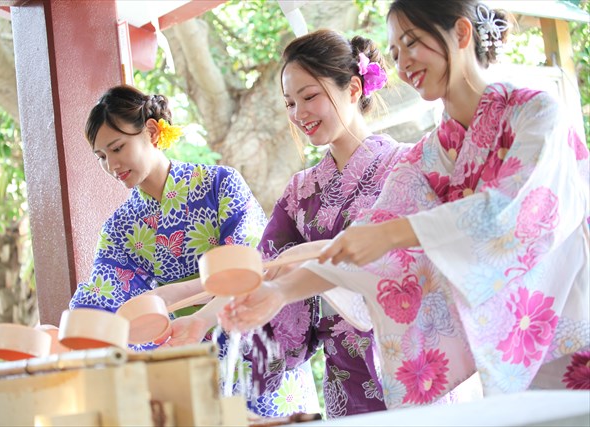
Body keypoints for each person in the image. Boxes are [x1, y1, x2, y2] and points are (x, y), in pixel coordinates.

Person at [220, 0, 590, 409]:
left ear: (462, 34)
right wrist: (279, 291)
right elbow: (361, 245)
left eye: (412, 42)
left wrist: (391, 234)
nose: (403, 62)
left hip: (570, 335)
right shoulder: (430, 157)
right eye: (395, 51)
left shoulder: (538, 113)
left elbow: (514, 215)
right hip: (504, 354)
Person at [161, 29, 410, 418]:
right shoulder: (301, 191)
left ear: (354, 88)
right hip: (344, 377)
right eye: (290, 102)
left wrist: (300, 258)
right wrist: (201, 321)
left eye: (309, 96)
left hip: (407, 361)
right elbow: (261, 269)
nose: (299, 114)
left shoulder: (405, 168)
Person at [68, 84, 267, 353]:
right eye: (101, 157)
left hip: (251, 340)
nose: (111, 165)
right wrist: (74, 329)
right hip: (185, 349)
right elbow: (104, 298)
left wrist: (167, 295)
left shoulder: (219, 184)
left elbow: (251, 264)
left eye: (117, 148)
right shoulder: (119, 228)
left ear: (151, 132)